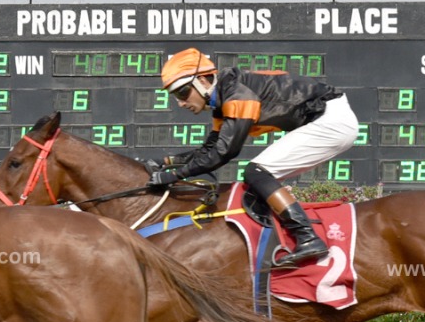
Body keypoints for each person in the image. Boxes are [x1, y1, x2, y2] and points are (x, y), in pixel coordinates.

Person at [148, 49, 360, 267]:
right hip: (326, 120)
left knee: (256, 171)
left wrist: (175, 175)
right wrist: (165, 163)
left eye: (182, 93)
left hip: (330, 121)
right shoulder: (223, 100)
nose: (181, 103)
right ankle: (283, 240)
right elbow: (210, 149)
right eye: (175, 96)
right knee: (257, 184)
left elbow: (224, 153)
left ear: (202, 80)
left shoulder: (238, 95)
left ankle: (307, 237)